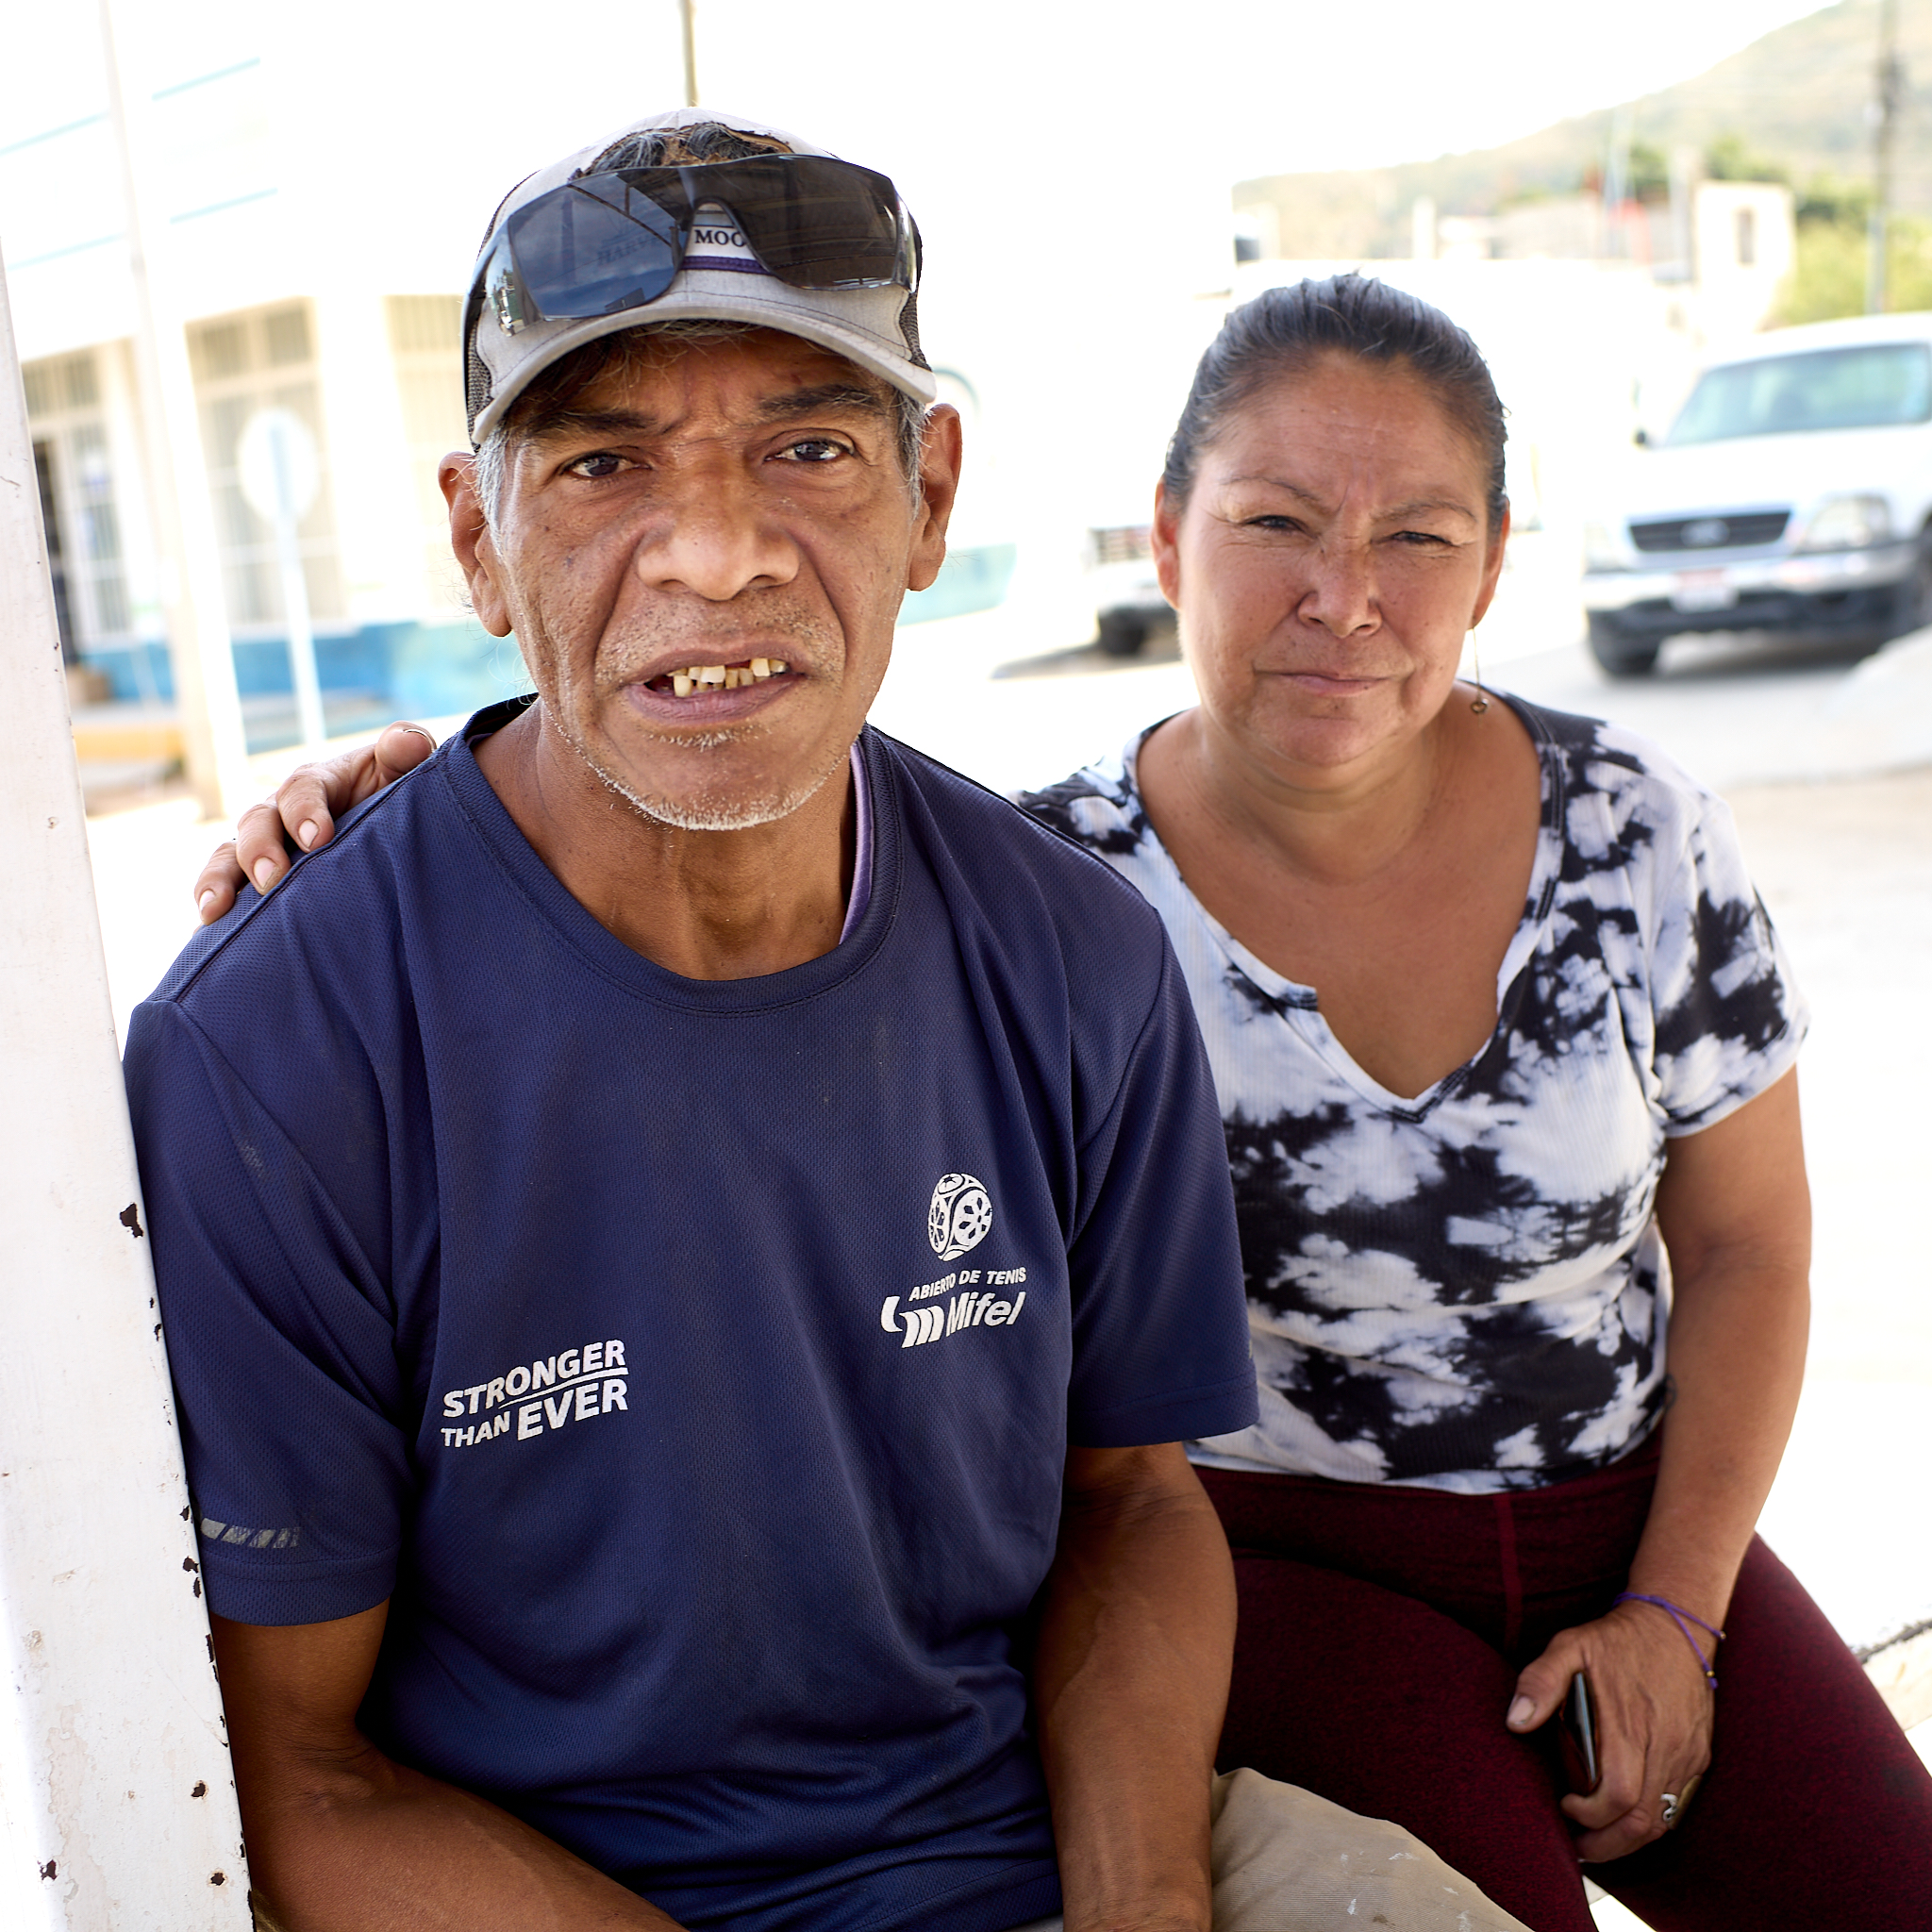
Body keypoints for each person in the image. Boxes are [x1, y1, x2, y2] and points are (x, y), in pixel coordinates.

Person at [219, 271, 1932, 1930]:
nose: (1344, 597)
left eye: (1417, 535)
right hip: (1297, 1557)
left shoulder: (1609, 832)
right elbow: (671, 764)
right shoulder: (1067, 879)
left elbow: (1751, 1247)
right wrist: (404, 803)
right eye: (1276, 524)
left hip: (1602, 1511)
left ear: (1493, 568)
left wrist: (1675, 1611)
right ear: (1168, 534)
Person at [137, 118, 1527, 1932]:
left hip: (1023, 1849)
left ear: (930, 497)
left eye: (806, 447)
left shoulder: (1073, 957)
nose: (717, 553)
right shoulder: (274, 1052)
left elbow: (1130, 1498)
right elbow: (279, 1768)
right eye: (602, 462)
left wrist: (1144, 1907)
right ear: (480, 544)